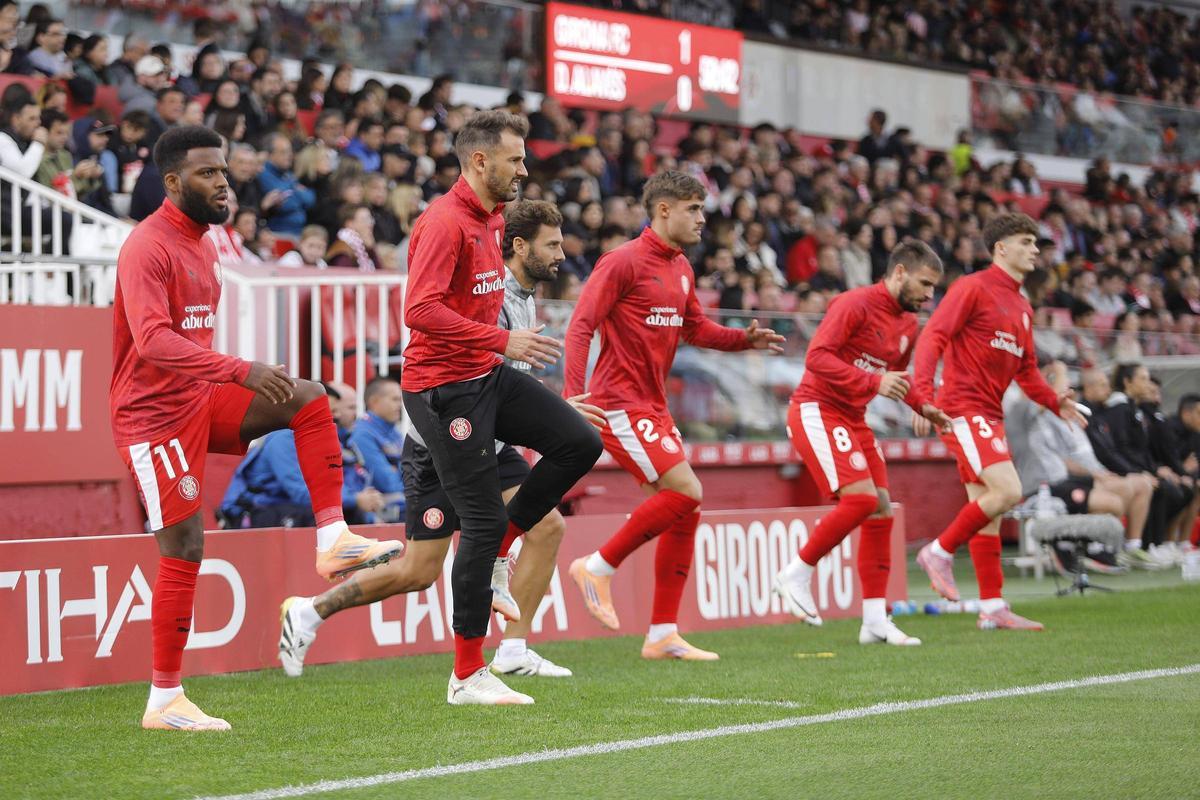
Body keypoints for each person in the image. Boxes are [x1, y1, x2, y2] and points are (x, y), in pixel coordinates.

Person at [110, 126, 403, 732]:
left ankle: (332, 540)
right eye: (207, 173)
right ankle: (164, 699)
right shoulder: (148, 245)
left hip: (196, 400)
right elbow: (154, 341)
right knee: (187, 547)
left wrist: (232, 378)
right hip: (154, 419)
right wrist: (240, 371)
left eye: (223, 170)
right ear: (172, 183)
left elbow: (190, 344)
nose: (223, 181)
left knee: (307, 398)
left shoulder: (206, 242)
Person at [278, 199, 600, 681]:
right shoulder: (495, 294)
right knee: (419, 570)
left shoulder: (525, 296)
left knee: (547, 526)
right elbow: (468, 359)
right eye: (551, 244)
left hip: (490, 440)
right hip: (440, 443)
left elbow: (503, 382)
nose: (561, 253)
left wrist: (550, 412)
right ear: (518, 246)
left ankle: (513, 646)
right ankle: (310, 612)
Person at [401, 110, 602, 705]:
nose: (523, 168)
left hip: (484, 376)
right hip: (442, 390)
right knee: (480, 523)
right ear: (480, 161)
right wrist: (500, 341)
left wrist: (499, 347)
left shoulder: (491, 221)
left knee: (580, 443)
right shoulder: (444, 223)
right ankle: (466, 675)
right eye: (515, 159)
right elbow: (419, 312)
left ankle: (502, 547)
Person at [563, 171, 785, 661]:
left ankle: (662, 632)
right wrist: (573, 398)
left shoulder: (681, 266)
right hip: (618, 403)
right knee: (687, 490)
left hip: (653, 406)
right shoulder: (622, 262)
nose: (703, 220)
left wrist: (742, 339)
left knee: (687, 507)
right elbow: (581, 326)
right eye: (694, 210)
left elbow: (696, 328)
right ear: (664, 210)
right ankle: (597, 567)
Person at [912, 213, 1087, 632]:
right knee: (1008, 491)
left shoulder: (1023, 307)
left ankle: (992, 607)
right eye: (1026, 241)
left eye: (1036, 243)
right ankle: (938, 551)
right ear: (1000, 248)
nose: (1034, 250)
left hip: (989, 414)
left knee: (986, 510)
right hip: (962, 409)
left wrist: (1053, 401)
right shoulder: (972, 287)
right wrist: (921, 397)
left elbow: (1027, 372)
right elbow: (933, 335)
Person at [773, 241, 949, 642]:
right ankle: (795, 574)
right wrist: (874, 381)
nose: (928, 295)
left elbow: (896, 381)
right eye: (924, 283)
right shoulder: (853, 304)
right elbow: (816, 358)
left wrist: (924, 406)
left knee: (881, 510)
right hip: (816, 409)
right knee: (861, 500)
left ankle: (873, 620)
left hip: (853, 417)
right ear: (899, 272)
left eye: (934, 288)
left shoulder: (908, 324)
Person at [218, 382, 386, 528]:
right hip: (258, 512)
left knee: (350, 512)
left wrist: (368, 513)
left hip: (289, 507)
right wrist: (356, 500)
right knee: (321, 515)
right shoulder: (282, 439)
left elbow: (341, 486)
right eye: (330, 410)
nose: (337, 416)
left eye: (337, 410)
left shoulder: (331, 439)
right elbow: (300, 492)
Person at [345, 377, 406, 522]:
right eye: (395, 399)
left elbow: (412, 473)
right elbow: (389, 483)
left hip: (400, 501)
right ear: (374, 401)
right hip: (378, 509)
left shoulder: (393, 431)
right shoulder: (362, 434)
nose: (400, 405)